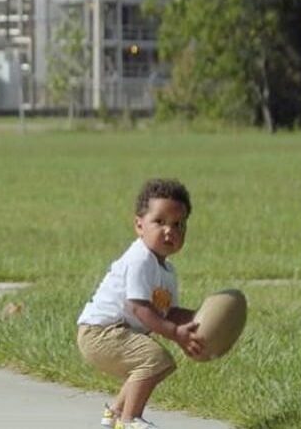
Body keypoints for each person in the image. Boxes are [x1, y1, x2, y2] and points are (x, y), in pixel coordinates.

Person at [77, 178, 204, 429]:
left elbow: (170, 312)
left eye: (178, 224)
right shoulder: (140, 259)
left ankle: (114, 412)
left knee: (158, 365)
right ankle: (129, 420)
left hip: (116, 333)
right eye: (159, 222)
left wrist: (201, 320)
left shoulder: (167, 270)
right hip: (100, 333)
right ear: (139, 225)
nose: (170, 230)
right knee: (154, 359)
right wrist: (175, 334)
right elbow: (140, 308)